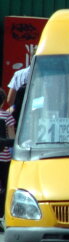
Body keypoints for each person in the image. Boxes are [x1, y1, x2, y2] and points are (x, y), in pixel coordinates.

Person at [0, 88, 16, 228]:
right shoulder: (8, 117)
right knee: (5, 186)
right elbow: (12, 138)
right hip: (4, 158)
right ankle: (2, 215)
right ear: (3, 101)